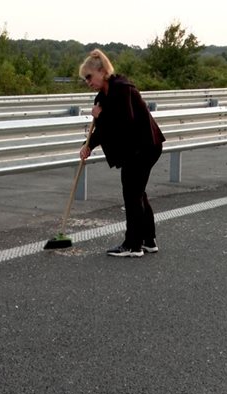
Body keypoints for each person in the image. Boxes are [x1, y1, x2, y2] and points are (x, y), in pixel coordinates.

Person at [78, 49, 166, 257]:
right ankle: (148, 240)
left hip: (144, 146)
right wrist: (88, 145)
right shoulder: (103, 96)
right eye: (85, 80)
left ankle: (133, 245)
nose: (88, 82)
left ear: (102, 71)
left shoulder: (122, 89)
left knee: (132, 193)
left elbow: (124, 123)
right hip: (135, 148)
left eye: (89, 77)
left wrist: (100, 116)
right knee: (137, 192)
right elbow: (104, 129)